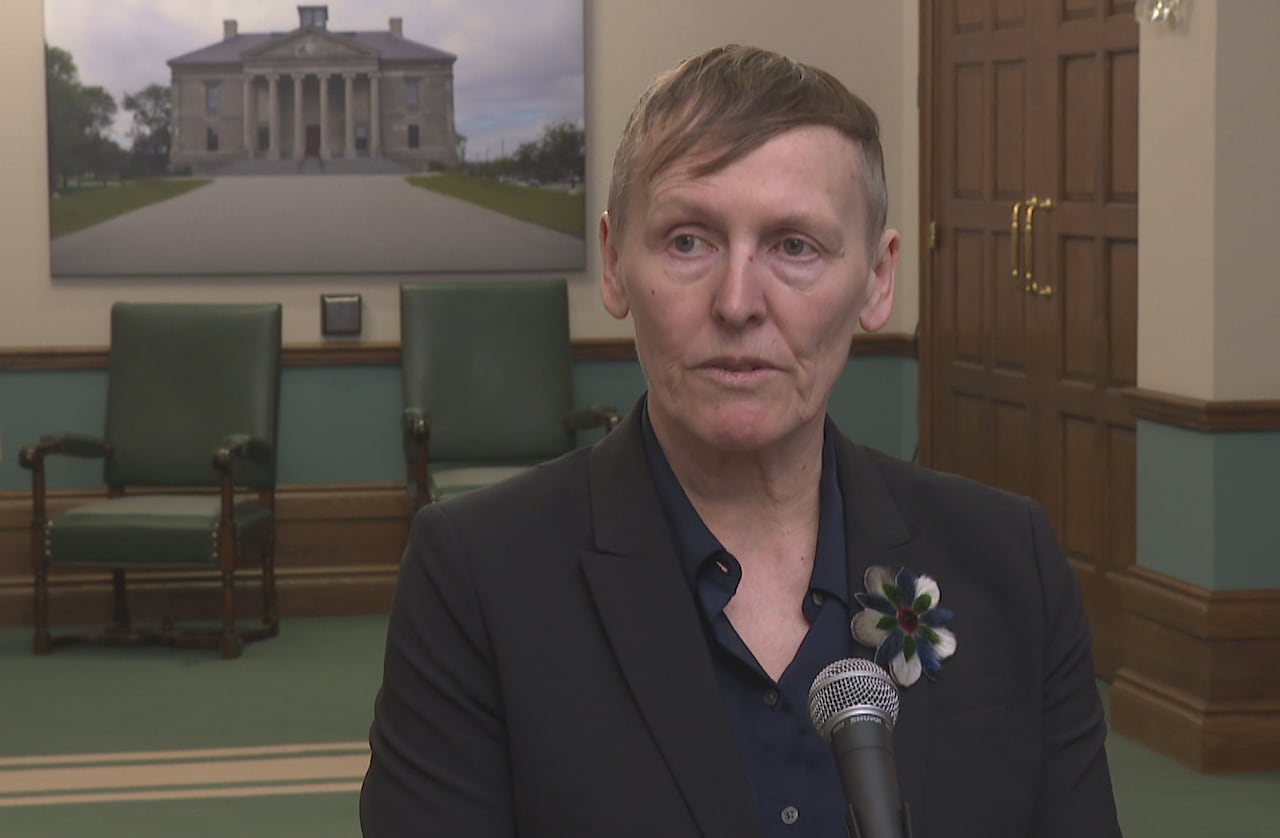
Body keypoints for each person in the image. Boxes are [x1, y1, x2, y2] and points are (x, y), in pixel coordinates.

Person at [360, 44, 1122, 837]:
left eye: (795, 246)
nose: (736, 302)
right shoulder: (477, 577)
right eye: (690, 240)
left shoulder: (1011, 564)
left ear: (878, 280)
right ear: (616, 263)